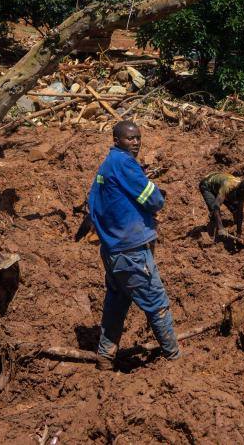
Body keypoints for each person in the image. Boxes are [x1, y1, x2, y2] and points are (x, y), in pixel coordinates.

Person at [88, 120, 179, 370]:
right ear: (116, 140)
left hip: (112, 251)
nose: (136, 142)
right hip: (131, 252)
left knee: (116, 304)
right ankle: (175, 359)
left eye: (138, 137)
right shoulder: (125, 163)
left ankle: (105, 358)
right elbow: (154, 199)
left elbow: (92, 205)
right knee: (157, 303)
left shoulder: (106, 167)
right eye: (130, 138)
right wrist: (154, 199)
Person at [198, 172, 244, 239]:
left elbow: (239, 212)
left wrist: (239, 232)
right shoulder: (228, 186)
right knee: (213, 208)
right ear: (242, 191)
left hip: (220, 188)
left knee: (236, 210)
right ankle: (211, 232)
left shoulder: (242, 192)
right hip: (207, 185)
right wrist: (221, 229)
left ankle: (223, 227)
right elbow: (216, 206)